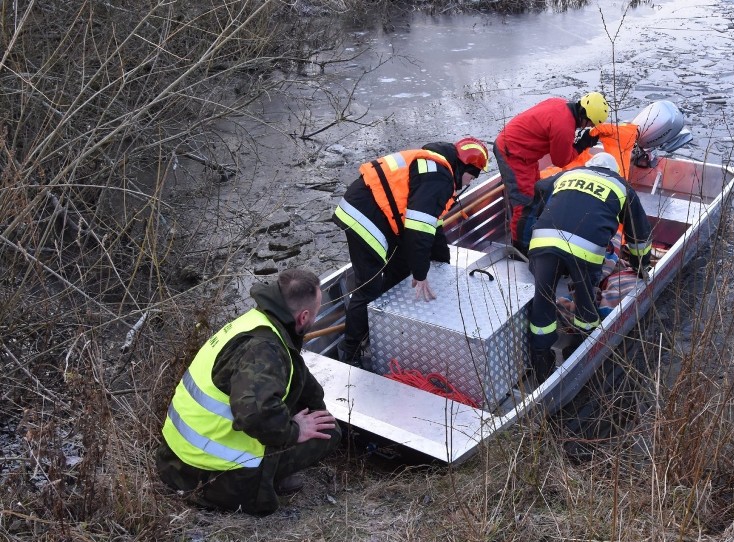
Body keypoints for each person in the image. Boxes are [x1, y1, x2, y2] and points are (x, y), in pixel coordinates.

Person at [156, 268, 341, 516]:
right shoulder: (265, 350)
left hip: (173, 460)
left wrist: (315, 404)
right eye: (316, 314)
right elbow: (255, 415)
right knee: (329, 431)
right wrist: (295, 430)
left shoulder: (255, 322)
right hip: (211, 477)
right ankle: (265, 479)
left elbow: (300, 379)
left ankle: (268, 467)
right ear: (304, 316)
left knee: (306, 412)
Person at [332, 137, 490, 366]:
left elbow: (432, 228)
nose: (471, 182)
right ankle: (352, 351)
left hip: (378, 213)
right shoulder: (440, 177)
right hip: (364, 217)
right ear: (465, 167)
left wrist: (442, 263)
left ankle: (379, 322)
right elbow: (418, 230)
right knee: (369, 287)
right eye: (473, 176)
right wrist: (421, 273)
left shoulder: (436, 168)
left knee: (399, 271)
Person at [526, 152, 652, 382]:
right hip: (585, 252)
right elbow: (639, 237)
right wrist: (641, 266)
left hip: (543, 242)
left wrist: (536, 223)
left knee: (542, 302)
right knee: (586, 304)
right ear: (613, 172)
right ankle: (576, 351)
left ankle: (541, 367)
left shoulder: (565, 176)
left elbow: (539, 187)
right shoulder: (622, 188)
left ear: (589, 166)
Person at [493, 92, 611, 254]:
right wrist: (582, 144)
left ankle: (531, 233)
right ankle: (520, 248)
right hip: (513, 153)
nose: (588, 127)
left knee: (536, 196)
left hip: (526, 153)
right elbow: (560, 161)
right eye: (589, 124)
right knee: (525, 203)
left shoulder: (561, 103)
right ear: (584, 116)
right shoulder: (564, 126)